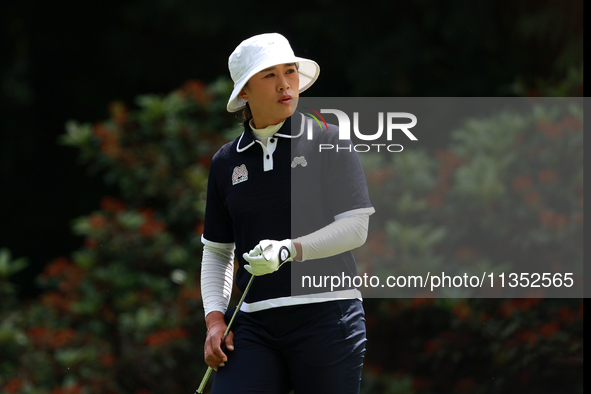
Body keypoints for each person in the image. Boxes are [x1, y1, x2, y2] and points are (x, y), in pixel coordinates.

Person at [200, 32, 375, 394]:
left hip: (328, 316)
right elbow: (218, 250)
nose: (285, 85)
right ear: (244, 91)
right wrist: (216, 320)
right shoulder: (225, 163)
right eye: (269, 75)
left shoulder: (329, 139)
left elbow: (356, 227)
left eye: (290, 72)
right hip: (254, 325)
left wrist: (289, 249)